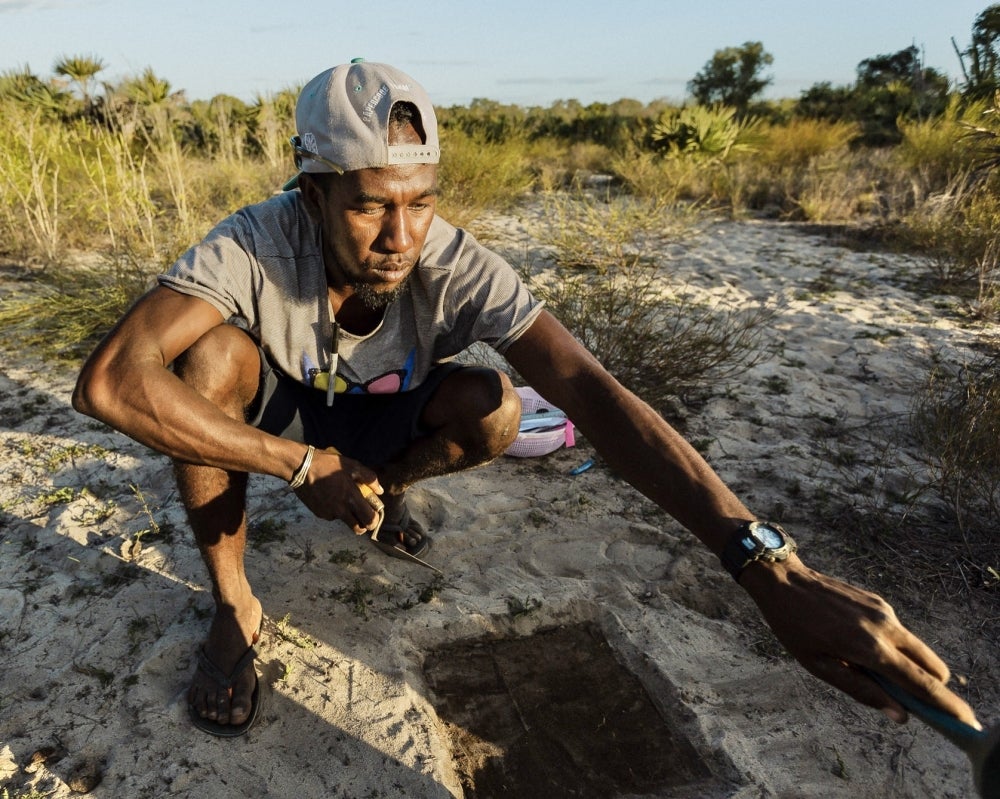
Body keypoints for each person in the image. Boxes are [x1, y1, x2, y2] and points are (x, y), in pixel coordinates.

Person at [72, 59, 980, 739]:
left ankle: (379, 490)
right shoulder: (253, 242)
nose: (400, 235)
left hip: (376, 418)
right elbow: (112, 379)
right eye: (368, 206)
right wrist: (298, 462)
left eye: (421, 201)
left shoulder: (449, 260)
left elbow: (588, 385)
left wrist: (766, 563)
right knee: (202, 363)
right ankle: (234, 603)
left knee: (497, 405)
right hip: (282, 416)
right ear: (311, 194)